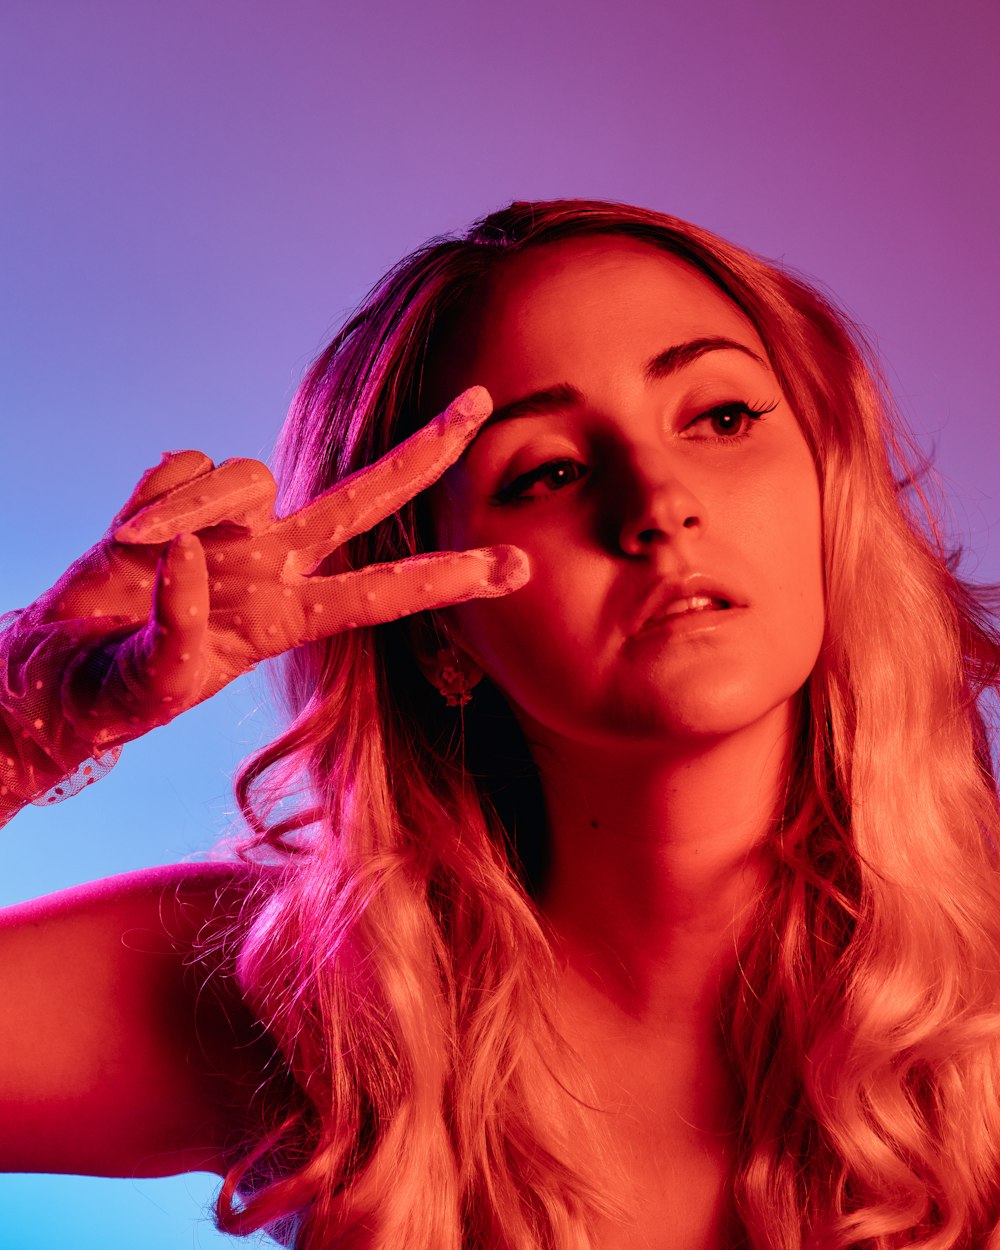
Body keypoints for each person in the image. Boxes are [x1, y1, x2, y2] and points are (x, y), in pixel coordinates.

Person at [2, 198, 1000, 1250]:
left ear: (827, 495)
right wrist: (28, 714)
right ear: (434, 627)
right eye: (549, 471)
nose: (657, 500)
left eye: (720, 416)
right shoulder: (306, 1001)